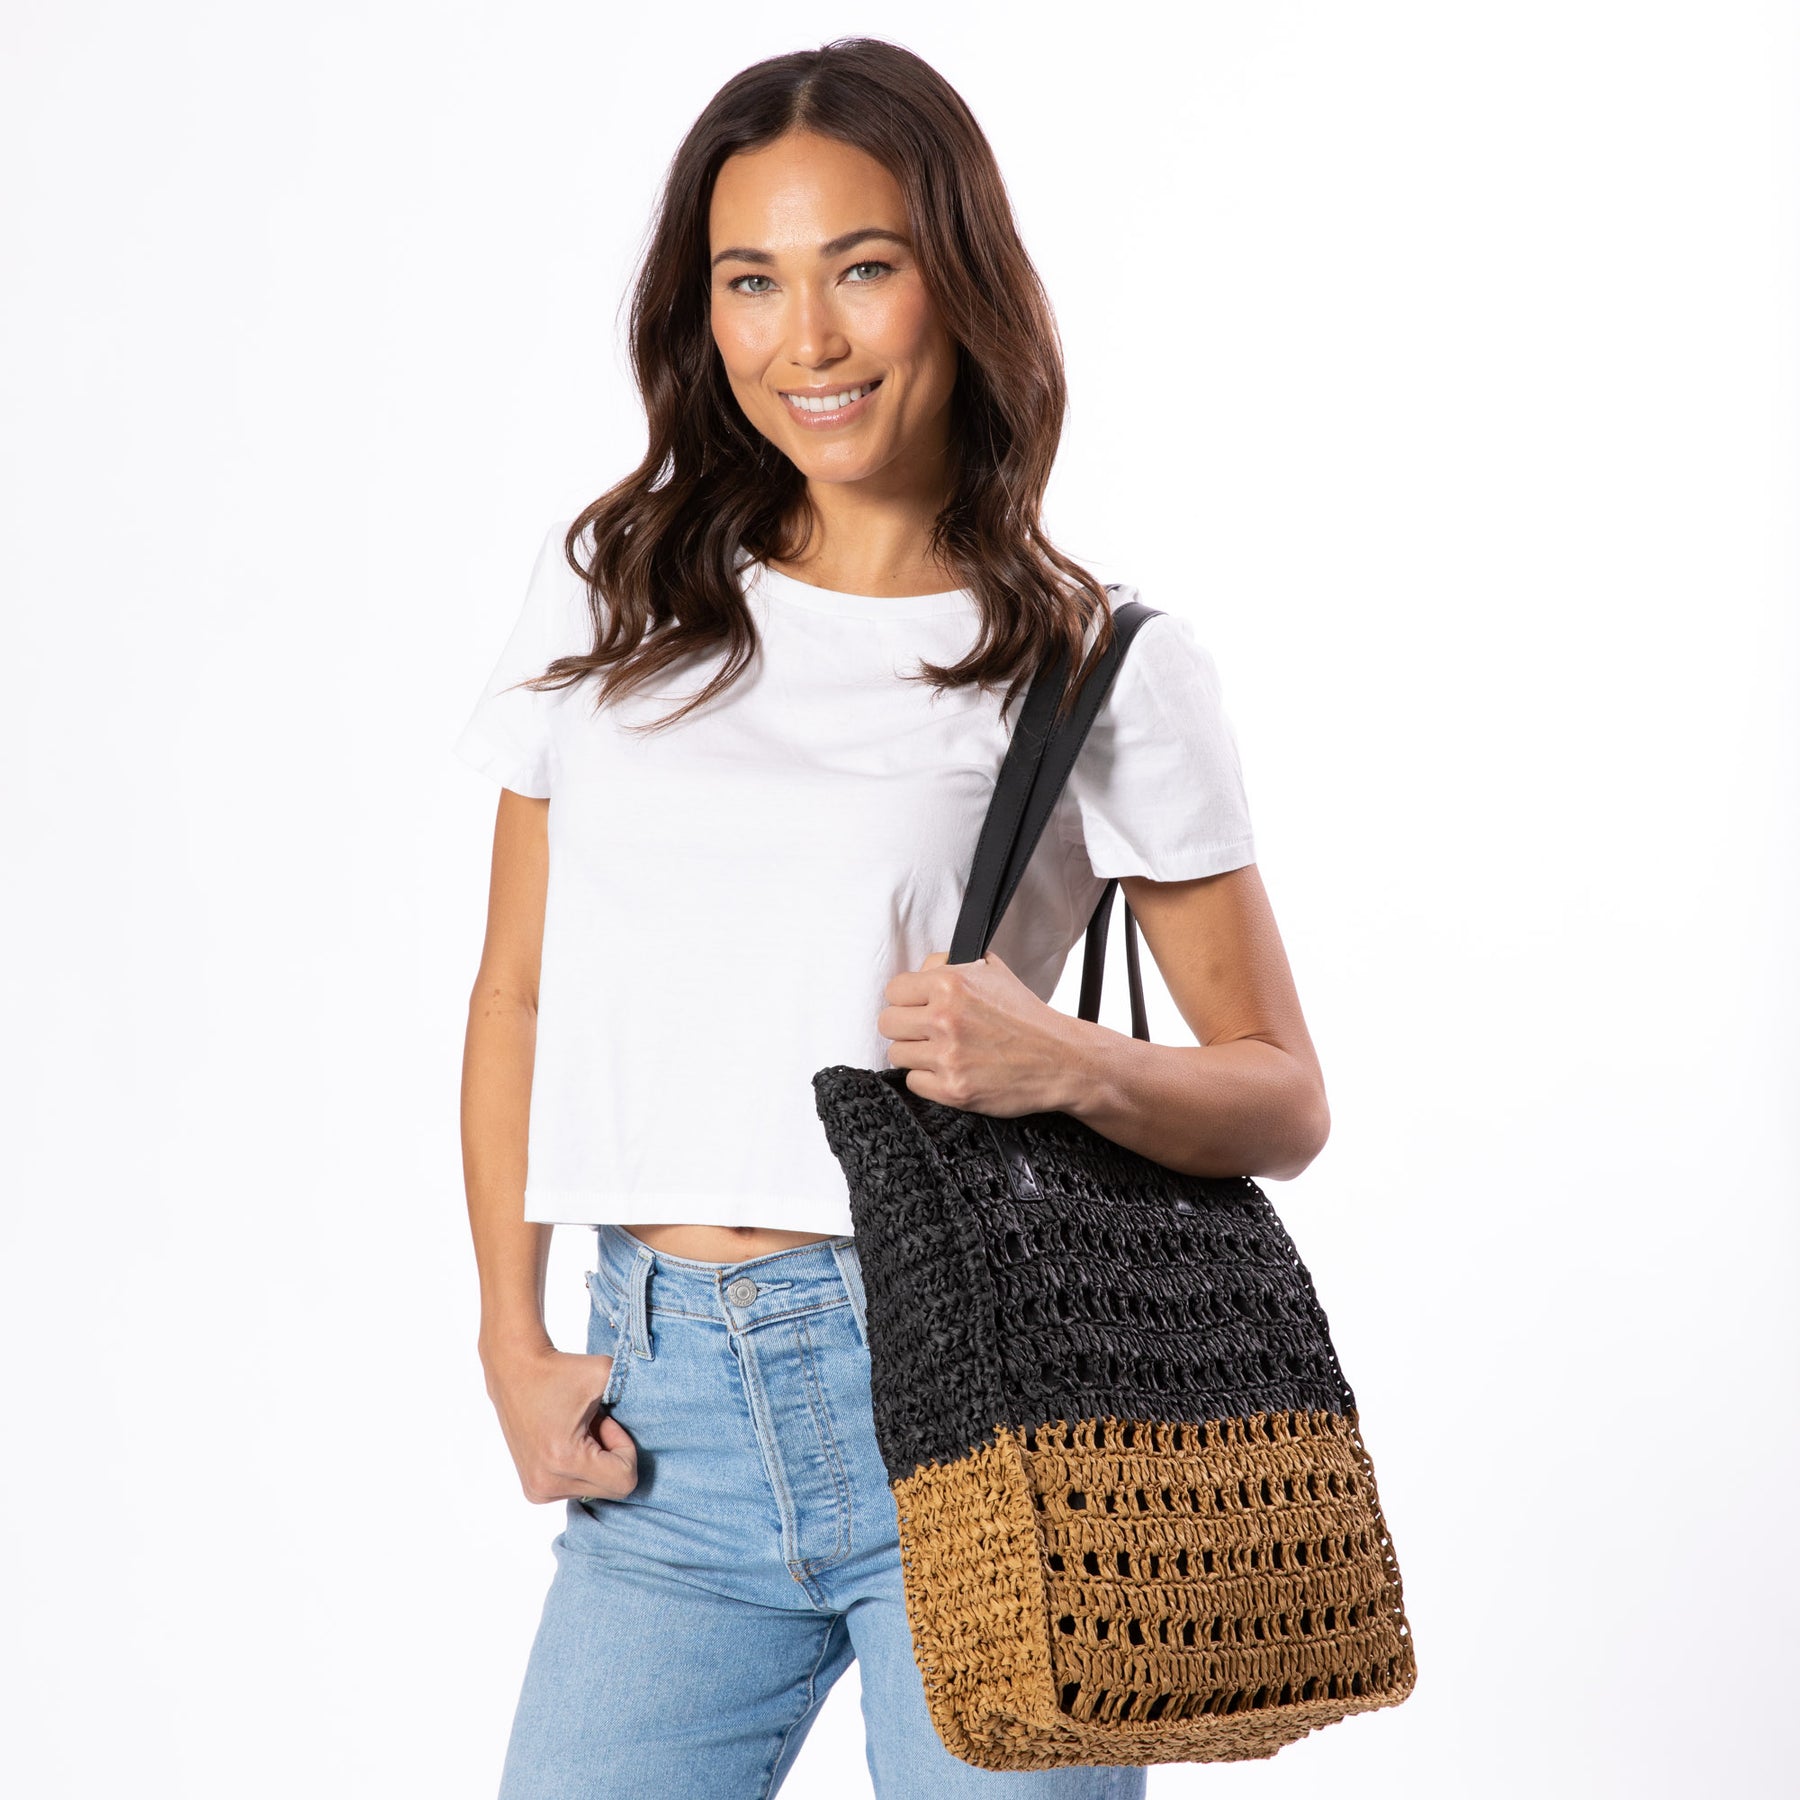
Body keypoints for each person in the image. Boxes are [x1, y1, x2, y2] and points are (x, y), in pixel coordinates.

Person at [453, 36, 1329, 1800]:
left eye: (862, 268)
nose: (809, 340)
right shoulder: (614, 596)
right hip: (660, 1421)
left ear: (960, 278)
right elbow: (519, 991)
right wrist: (511, 1337)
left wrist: (1067, 1062)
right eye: (750, 281)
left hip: (987, 1418)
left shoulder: (1093, 663)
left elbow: (1281, 1096)